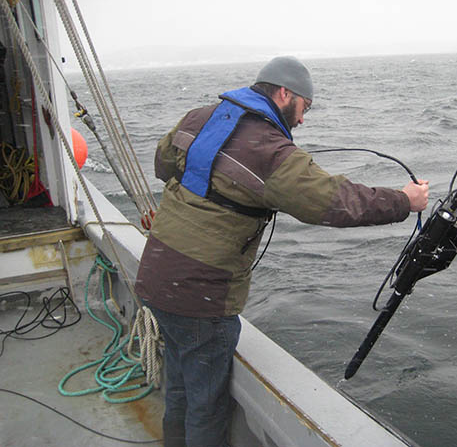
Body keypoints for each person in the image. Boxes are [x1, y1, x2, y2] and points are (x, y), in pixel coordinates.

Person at [135, 56, 429, 447]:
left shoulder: (199, 117)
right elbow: (332, 201)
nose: (303, 120)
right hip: (201, 296)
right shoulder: (270, 151)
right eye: (305, 107)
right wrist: (404, 201)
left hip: (157, 275)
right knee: (206, 406)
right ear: (285, 93)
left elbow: (162, 162)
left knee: (180, 392)